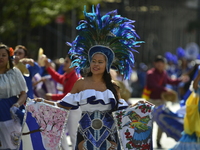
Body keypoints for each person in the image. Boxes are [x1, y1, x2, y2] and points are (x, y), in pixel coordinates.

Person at [34, 4, 147, 150]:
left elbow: (122, 110)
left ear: (107, 65)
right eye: (93, 61)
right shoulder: (81, 83)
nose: (96, 65)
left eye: (100, 62)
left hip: (109, 134)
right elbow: (63, 105)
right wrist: (42, 101)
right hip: (85, 132)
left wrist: (139, 107)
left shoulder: (113, 86)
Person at [144, 55, 189, 148]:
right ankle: (147, 142)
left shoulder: (164, 73)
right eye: (158, 63)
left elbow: (170, 81)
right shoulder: (150, 73)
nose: (160, 65)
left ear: (164, 64)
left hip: (162, 100)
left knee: (162, 121)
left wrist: (180, 80)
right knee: (149, 123)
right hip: (152, 101)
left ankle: (158, 141)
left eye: (162, 63)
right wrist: (166, 90)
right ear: (155, 64)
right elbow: (153, 85)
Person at [44, 54, 82, 150]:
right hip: (67, 107)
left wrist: (52, 96)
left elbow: (68, 95)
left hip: (74, 109)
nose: (63, 63)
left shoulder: (75, 77)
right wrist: (48, 68)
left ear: (74, 65)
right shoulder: (69, 75)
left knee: (73, 134)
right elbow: (59, 78)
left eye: (66, 61)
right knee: (60, 131)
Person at [0, 44, 27, 150]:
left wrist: (17, 105)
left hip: (10, 112)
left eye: (3, 55)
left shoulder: (15, 73)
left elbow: (23, 94)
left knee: (14, 145)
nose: (1, 57)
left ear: (8, 57)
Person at [170, 65, 200, 150]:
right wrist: (199, 75)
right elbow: (194, 87)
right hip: (197, 108)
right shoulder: (198, 79)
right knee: (195, 127)